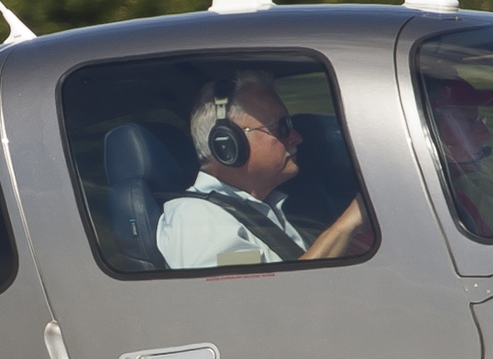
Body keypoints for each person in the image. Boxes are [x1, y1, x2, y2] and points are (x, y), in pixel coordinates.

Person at [156, 72, 368, 269]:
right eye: (281, 127)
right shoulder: (198, 218)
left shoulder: (265, 209)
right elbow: (250, 293)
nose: (297, 137)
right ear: (227, 144)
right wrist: (347, 225)